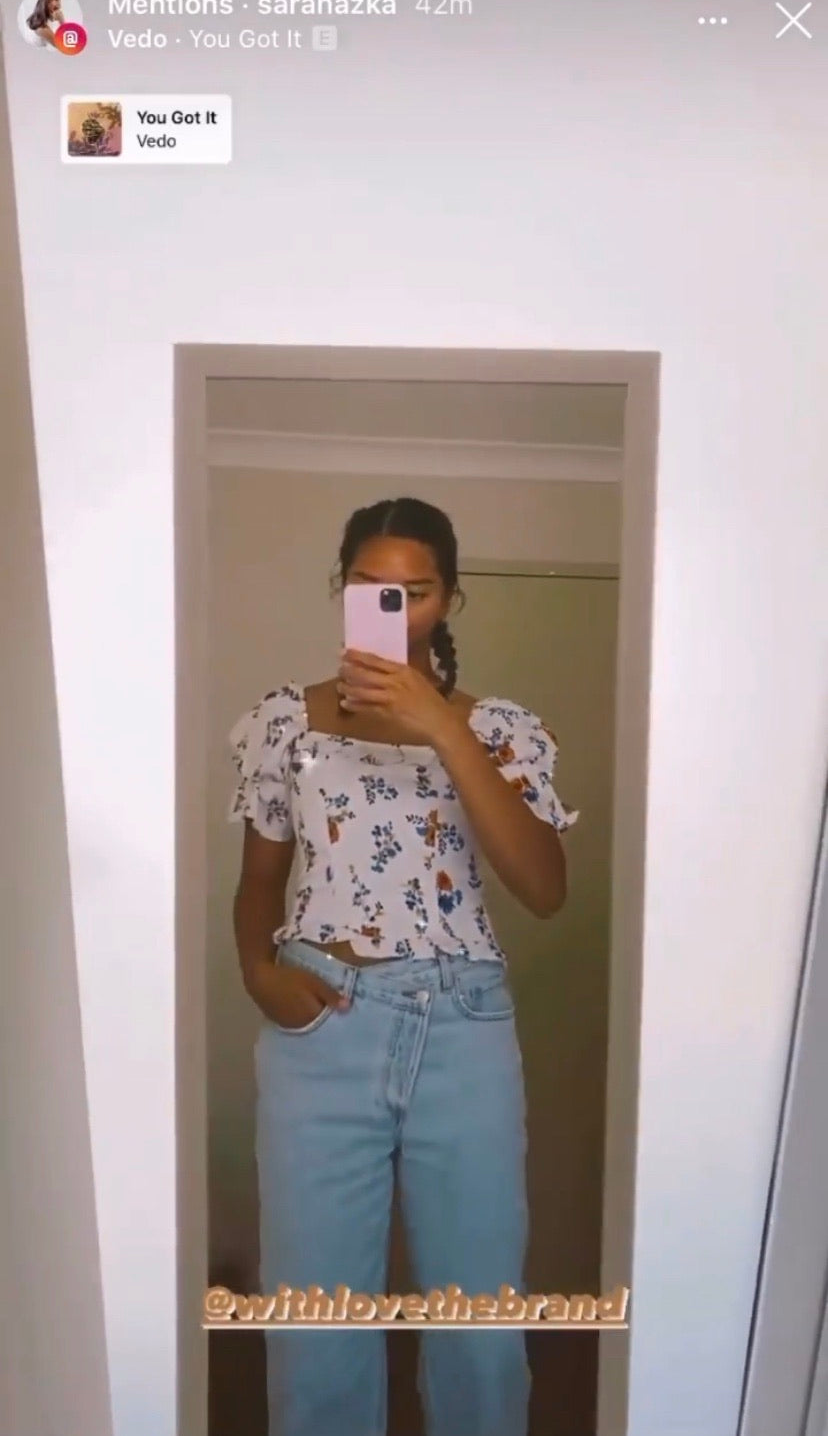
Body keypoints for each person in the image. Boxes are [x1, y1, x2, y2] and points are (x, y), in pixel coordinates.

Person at [228, 497, 579, 1436]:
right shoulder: (284, 723)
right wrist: (260, 975)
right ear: (340, 588)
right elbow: (258, 883)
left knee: (480, 1331)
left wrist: (444, 729)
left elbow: (545, 887)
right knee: (316, 1330)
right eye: (369, 587)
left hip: (463, 1030)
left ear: (449, 599)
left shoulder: (499, 728)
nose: (393, 608)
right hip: (322, 1024)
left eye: (414, 591)